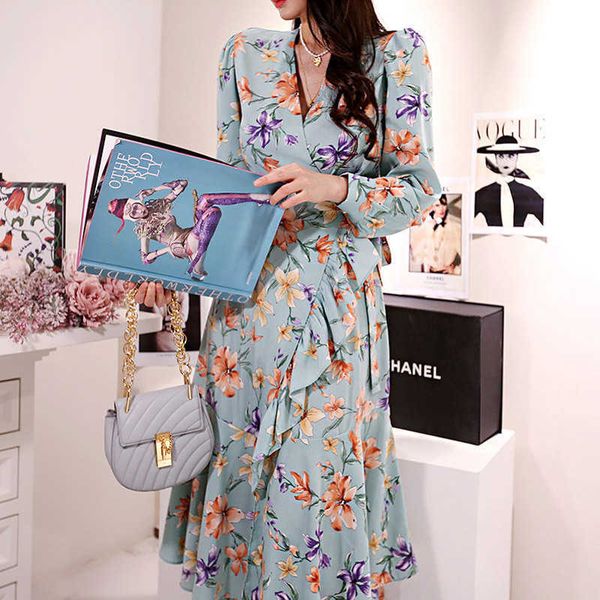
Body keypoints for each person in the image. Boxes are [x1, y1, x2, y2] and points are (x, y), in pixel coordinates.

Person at [132, 1, 442, 597]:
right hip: (246, 309)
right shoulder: (244, 53)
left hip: (337, 310)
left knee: (318, 476)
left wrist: (338, 188)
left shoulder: (397, 54)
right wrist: (173, 270)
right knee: (239, 465)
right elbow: (225, 191)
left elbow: (419, 192)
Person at [108, 179, 272, 279]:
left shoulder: (157, 206)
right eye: (134, 213)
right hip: (180, 246)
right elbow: (145, 259)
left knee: (206, 199)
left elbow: (182, 184)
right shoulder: (144, 230)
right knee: (213, 212)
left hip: (189, 232)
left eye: (135, 206)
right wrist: (165, 250)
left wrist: (154, 189)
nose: (138, 211)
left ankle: (255, 198)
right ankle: (197, 258)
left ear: (137, 202)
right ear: (132, 218)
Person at [474, 134, 544, 228]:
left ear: (517, 157)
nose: (505, 161)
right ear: (495, 158)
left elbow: (549, 219)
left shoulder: (527, 193)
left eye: (511, 156)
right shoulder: (483, 194)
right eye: (501, 156)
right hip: (490, 237)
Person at [409, 194, 462, 274]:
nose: (441, 209)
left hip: (447, 274)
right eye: (437, 205)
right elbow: (416, 252)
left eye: (444, 204)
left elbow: (466, 254)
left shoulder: (455, 228)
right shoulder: (425, 226)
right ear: (432, 207)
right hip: (428, 274)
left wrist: (456, 269)